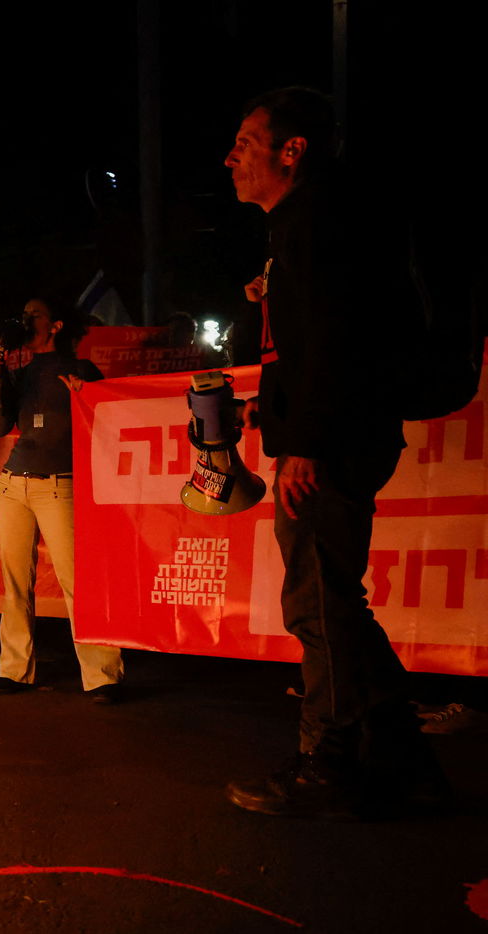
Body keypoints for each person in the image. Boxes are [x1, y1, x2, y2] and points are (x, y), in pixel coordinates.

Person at [220, 87, 443, 818]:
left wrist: (305, 444)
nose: (231, 158)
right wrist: (272, 410)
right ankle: (402, 751)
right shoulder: (305, 226)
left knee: (316, 606)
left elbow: (342, 344)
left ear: (293, 151)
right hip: (338, 434)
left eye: (247, 144)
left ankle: (329, 763)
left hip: (336, 444)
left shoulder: (318, 218)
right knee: (333, 601)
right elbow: (314, 344)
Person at [0, 297, 124, 703]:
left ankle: (103, 676)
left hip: (60, 485)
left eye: (35, 314)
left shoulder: (81, 370)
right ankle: (14, 671)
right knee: (15, 584)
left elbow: (111, 421)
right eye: (24, 313)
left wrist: (88, 397)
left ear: (57, 325)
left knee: (78, 582)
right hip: (14, 486)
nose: (25, 319)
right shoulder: (20, 370)